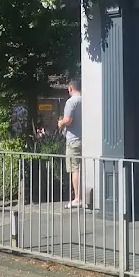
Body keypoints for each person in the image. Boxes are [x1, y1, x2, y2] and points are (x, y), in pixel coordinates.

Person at [57, 79, 83, 209]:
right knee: (83, 167)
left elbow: (68, 120)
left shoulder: (71, 101)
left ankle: (77, 198)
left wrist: (61, 123)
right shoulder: (85, 100)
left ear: (70, 88)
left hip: (73, 140)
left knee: (75, 169)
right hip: (85, 138)